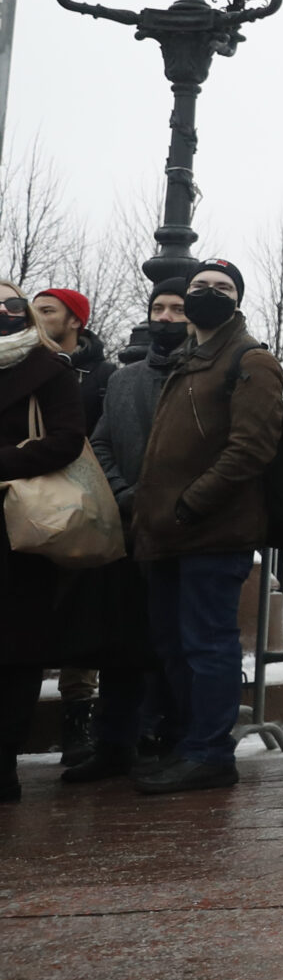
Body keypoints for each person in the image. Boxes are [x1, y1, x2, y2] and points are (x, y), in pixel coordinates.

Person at [127, 260, 283, 795]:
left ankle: (210, 752)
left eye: (222, 288)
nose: (208, 294)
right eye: (200, 287)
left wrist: (192, 503)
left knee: (208, 645)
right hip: (166, 535)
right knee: (174, 645)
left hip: (212, 534)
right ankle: (187, 743)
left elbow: (252, 448)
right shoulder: (189, 359)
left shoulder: (251, 359)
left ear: (237, 301)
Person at [69, 281, 193, 782]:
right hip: (127, 528)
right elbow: (99, 444)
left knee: (176, 641)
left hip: (186, 530)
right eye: (158, 308)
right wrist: (125, 496)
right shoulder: (122, 381)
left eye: (177, 309)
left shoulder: (208, 376)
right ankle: (113, 740)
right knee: (121, 641)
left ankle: (174, 738)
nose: (165, 318)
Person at [0, 281, 91, 804]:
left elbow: (65, 439)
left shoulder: (49, 369)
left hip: (22, 529)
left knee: (15, 650)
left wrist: (5, 461)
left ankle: (4, 762)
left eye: (14, 303)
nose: (5, 312)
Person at [30, 288, 110, 431]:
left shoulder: (104, 374)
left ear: (75, 321)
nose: (35, 318)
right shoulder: (20, 366)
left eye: (46, 311)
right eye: (32, 312)